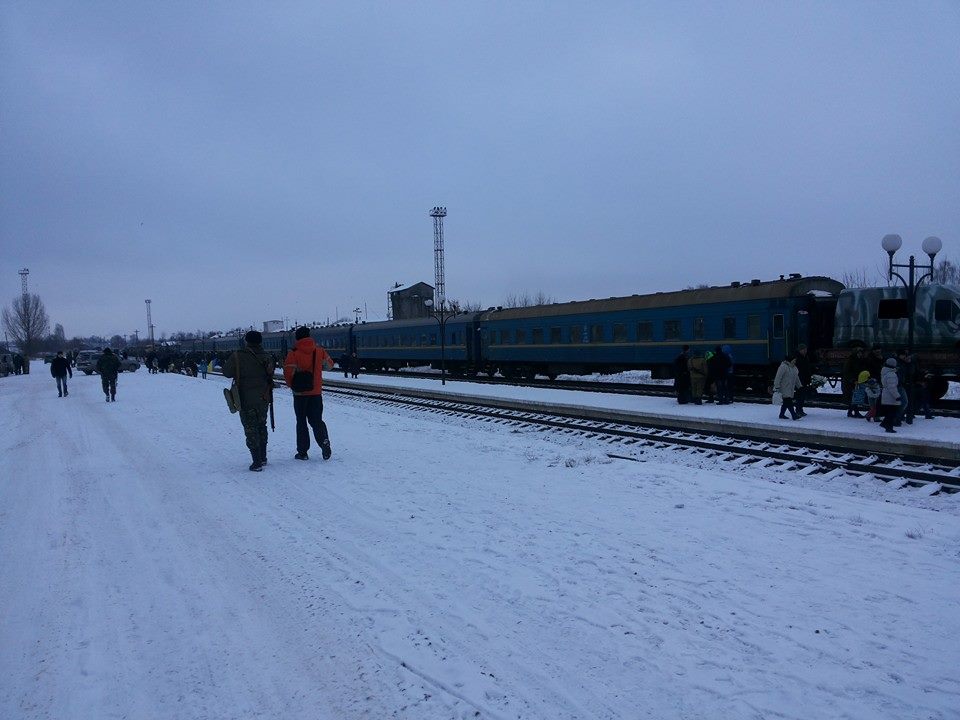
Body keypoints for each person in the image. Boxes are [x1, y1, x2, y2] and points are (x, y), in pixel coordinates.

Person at [222, 331, 275, 471]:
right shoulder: (267, 356)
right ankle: (263, 457)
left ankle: (256, 462)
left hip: (246, 399)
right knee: (262, 426)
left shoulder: (238, 356)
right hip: (264, 398)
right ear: (260, 341)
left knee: (251, 428)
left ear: (246, 341)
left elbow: (226, 372)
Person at [284, 326, 335, 461]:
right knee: (316, 420)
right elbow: (330, 366)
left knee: (301, 422)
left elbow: (288, 373)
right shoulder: (319, 351)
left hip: (300, 394)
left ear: (297, 338)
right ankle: (323, 441)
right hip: (316, 392)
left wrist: (292, 386)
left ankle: (303, 452)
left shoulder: (293, 353)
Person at [773, 354, 801, 420]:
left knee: (786, 402)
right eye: (794, 360)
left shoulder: (794, 368)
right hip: (783, 387)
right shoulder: (783, 367)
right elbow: (778, 377)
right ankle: (794, 415)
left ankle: (781, 415)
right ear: (790, 360)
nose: (795, 361)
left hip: (790, 387)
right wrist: (777, 386)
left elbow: (796, 377)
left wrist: (799, 385)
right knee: (788, 401)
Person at [879, 357, 900, 433]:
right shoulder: (891, 374)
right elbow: (892, 387)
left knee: (890, 412)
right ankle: (888, 427)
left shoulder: (884, 372)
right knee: (892, 413)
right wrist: (897, 396)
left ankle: (885, 424)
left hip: (886, 394)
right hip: (891, 397)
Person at [793, 343, 813, 417]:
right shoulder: (797, 358)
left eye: (806, 349)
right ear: (800, 350)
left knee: (802, 395)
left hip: (804, 379)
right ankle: (798, 410)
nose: (805, 351)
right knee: (799, 395)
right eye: (803, 350)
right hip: (799, 379)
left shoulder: (805, 357)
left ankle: (800, 409)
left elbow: (807, 368)